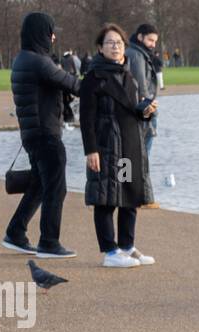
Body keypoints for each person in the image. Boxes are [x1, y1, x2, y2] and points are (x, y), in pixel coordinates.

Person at [4, 11, 81, 258]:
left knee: (39, 186)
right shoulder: (39, 61)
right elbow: (74, 85)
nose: (54, 37)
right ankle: (49, 241)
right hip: (46, 134)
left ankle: (15, 232)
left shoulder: (22, 59)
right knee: (56, 188)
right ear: (42, 33)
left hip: (32, 133)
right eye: (51, 32)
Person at [81, 23, 157, 269]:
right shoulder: (94, 77)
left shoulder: (128, 74)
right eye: (110, 43)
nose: (116, 46)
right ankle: (110, 251)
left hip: (129, 146)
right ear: (100, 48)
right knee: (106, 198)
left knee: (128, 194)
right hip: (106, 146)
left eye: (119, 43)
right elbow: (86, 117)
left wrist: (145, 112)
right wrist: (90, 150)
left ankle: (126, 246)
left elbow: (132, 108)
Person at [125, 22, 161, 188]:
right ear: (140, 37)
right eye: (150, 40)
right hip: (143, 111)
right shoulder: (137, 55)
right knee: (141, 154)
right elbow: (141, 87)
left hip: (138, 110)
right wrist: (150, 111)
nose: (153, 44)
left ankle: (128, 189)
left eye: (155, 41)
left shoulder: (136, 52)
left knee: (132, 154)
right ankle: (136, 191)